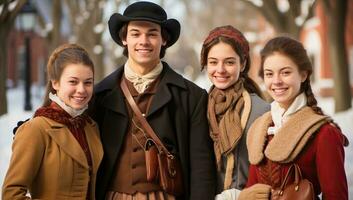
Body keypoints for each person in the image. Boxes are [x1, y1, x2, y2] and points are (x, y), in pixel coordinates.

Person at [88, 1, 216, 200]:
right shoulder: (100, 95)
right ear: (124, 39)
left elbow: (201, 167)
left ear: (164, 39)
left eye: (152, 34)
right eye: (135, 33)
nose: (144, 41)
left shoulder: (192, 97)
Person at [240, 36, 349, 200]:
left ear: (303, 74)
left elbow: (336, 196)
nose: (276, 81)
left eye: (285, 72)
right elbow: (252, 188)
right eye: (269, 74)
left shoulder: (324, 133)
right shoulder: (259, 128)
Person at [2, 44, 103, 199]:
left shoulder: (90, 127)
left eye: (88, 82)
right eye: (73, 82)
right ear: (55, 83)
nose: (82, 89)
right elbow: (11, 194)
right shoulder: (35, 129)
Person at [200, 25, 270, 200]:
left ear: (243, 63)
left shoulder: (262, 111)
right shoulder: (199, 107)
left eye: (229, 62)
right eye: (213, 62)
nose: (220, 69)